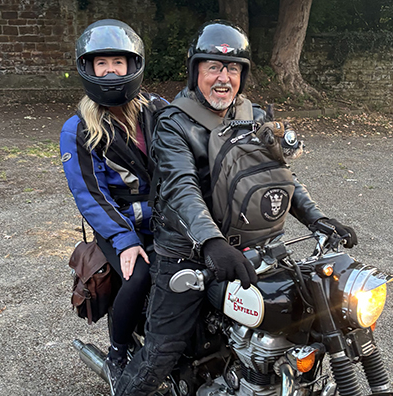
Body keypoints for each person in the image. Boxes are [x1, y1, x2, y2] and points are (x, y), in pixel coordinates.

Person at [113, 20, 358, 396]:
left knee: (304, 319)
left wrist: (318, 219)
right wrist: (211, 243)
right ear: (195, 71)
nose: (223, 78)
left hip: (251, 247)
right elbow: (181, 189)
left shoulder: (254, 116)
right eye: (213, 67)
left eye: (232, 68)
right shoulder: (173, 124)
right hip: (186, 253)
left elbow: (278, 176)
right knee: (161, 353)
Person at [59, 19, 167, 394]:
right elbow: (89, 194)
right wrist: (124, 239)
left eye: (117, 63)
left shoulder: (157, 109)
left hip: (168, 219)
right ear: (87, 69)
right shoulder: (78, 128)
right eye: (101, 62)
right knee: (138, 276)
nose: (110, 70)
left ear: (131, 65)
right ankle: (119, 354)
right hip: (119, 223)